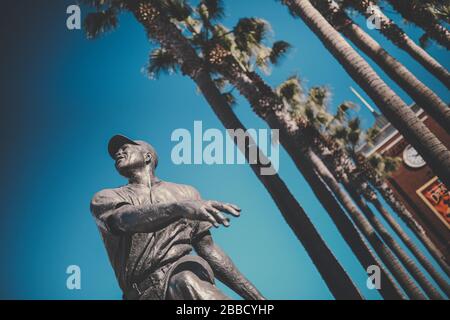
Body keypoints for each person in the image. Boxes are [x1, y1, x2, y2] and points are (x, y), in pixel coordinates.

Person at [90, 134, 265, 300]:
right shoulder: (107, 196)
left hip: (184, 277)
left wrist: (256, 298)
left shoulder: (186, 193)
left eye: (125, 148)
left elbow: (208, 249)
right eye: (116, 153)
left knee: (185, 280)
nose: (118, 153)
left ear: (147, 156)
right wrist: (179, 208)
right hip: (142, 294)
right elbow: (122, 220)